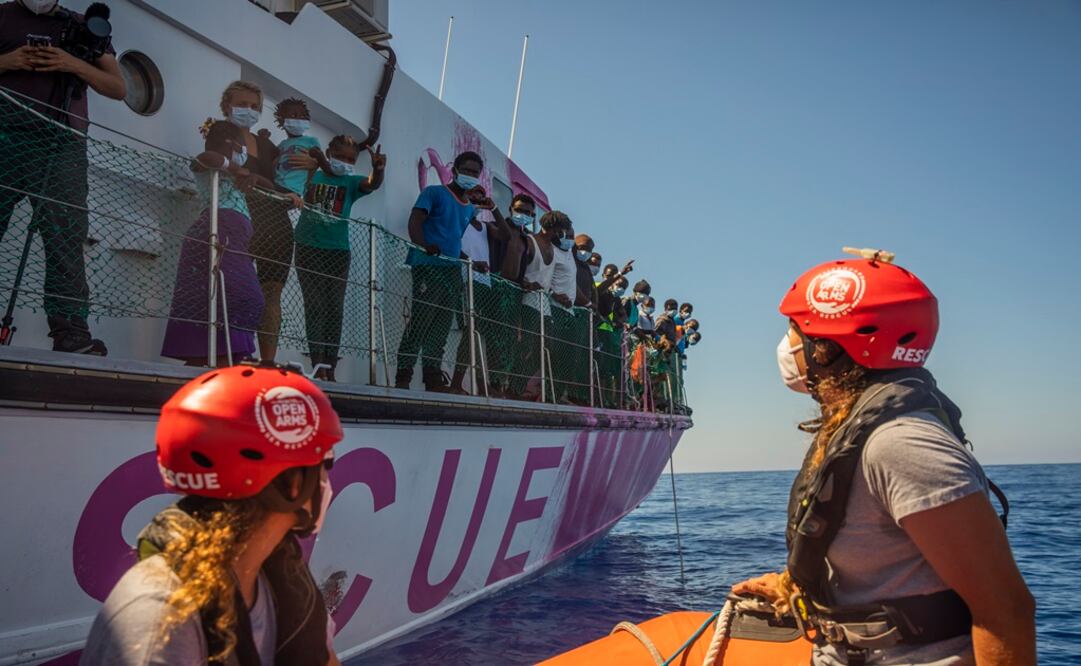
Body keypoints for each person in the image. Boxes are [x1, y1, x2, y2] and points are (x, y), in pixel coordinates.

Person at [732, 252, 1035, 666]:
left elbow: (1006, 610)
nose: (787, 348)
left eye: (795, 332)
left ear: (827, 349)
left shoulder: (903, 445)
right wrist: (795, 586)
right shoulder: (858, 429)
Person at [81, 363, 343, 665]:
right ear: (293, 483)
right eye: (325, 461)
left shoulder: (280, 577)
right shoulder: (161, 620)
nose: (327, 480)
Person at [0, 0, 126, 354]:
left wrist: (71, 63)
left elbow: (118, 88)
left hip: (61, 144)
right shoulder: (3, 15)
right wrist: (8, 61)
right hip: (5, 134)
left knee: (66, 236)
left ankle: (71, 332)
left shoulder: (85, 25)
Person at [160, 120, 270, 366]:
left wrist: (250, 175)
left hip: (232, 241)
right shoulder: (210, 167)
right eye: (241, 147)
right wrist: (234, 167)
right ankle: (213, 356)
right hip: (216, 234)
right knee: (242, 295)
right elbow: (206, 157)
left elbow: (270, 186)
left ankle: (219, 356)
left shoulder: (238, 178)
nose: (244, 154)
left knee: (233, 298)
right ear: (231, 145)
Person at [395, 151, 489, 392]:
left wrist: (472, 262)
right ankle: (403, 377)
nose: (470, 176)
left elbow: (452, 242)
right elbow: (414, 222)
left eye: (474, 173)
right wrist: (424, 246)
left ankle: (433, 378)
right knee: (420, 321)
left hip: (451, 270)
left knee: (441, 327)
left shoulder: (469, 208)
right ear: (455, 170)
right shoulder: (434, 193)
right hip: (428, 265)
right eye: (466, 170)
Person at [294, 135, 385, 382]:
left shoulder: (351, 182)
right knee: (314, 306)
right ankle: (317, 364)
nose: (345, 162)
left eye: (351, 159)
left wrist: (378, 170)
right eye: (340, 156)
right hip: (307, 247)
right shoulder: (312, 174)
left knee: (335, 308)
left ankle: (330, 367)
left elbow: (371, 184)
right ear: (329, 152)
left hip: (338, 251)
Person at [257, 96, 322, 363]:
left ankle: (267, 360)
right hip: (260, 208)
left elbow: (323, 169)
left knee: (272, 290)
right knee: (245, 286)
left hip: (280, 210)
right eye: (290, 115)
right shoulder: (279, 146)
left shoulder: (311, 147)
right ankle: (231, 348)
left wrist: (316, 165)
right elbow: (272, 168)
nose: (296, 119)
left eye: (300, 114)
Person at [449, 198, 509, 394]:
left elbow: (506, 235)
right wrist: (472, 263)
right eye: (473, 198)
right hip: (465, 280)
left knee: (481, 334)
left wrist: (494, 208)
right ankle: (458, 382)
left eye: (480, 199)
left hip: (485, 283)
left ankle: (483, 384)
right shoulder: (459, 222)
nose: (477, 202)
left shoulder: (484, 226)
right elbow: (451, 245)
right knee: (470, 333)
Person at [510, 210, 564, 399]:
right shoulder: (530, 241)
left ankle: (521, 384)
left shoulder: (554, 249)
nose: (562, 235)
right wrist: (524, 282)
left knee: (546, 347)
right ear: (553, 228)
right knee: (526, 345)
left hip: (545, 304)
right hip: (529, 300)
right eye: (560, 230)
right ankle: (514, 387)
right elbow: (517, 268)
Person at [548, 219, 578, 403]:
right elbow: (542, 275)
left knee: (569, 358)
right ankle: (548, 393)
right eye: (568, 236)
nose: (570, 239)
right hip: (554, 309)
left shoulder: (570, 255)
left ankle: (559, 393)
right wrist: (555, 295)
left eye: (572, 236)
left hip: (570, 312)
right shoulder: (553, 252)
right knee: (554, 354)